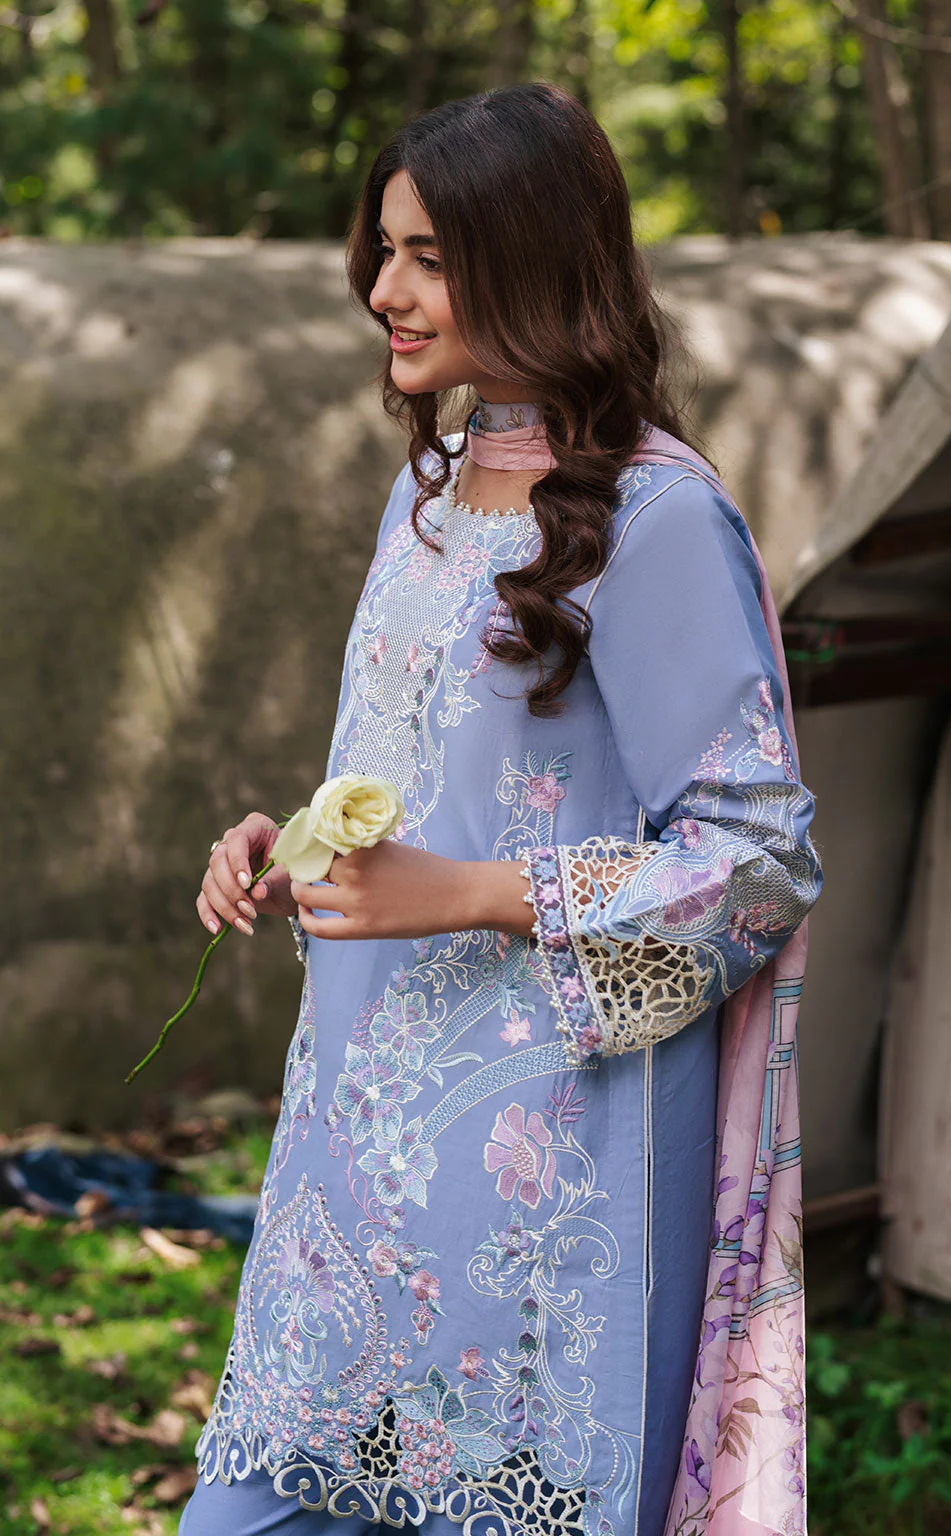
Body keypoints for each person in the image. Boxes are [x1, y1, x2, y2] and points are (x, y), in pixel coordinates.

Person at [180, 82, 822, 1536]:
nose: (384, 291)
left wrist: (468, 894)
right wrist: (297, 843)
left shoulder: (655, 519)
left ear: (532, 263)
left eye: (429, 257)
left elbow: (758, 860)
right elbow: (431, 783)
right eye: (384, 251)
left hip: (549, 1197)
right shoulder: (432, 492)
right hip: (353, 1174)